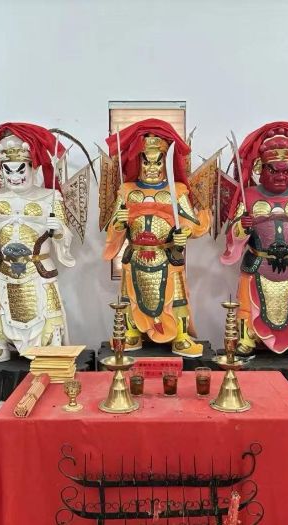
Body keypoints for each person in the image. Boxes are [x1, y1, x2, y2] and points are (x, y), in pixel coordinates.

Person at [221, 122, 288, 362]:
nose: (281, 176)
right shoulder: (249, 196)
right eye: (274, 170)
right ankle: (247, 340)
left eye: (286, 170)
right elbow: (232, 236)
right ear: (261, 168)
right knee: (249, 304)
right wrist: (243, 227)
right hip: (257, 263)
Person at [103, 119, 210, 357]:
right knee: (132, 295)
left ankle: (180, 336)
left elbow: (192, 223)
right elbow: (113, 229)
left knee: (176, 296)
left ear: (166, 162)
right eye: (146, 161)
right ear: (138, 162)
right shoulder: (127, 191)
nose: (152, 167)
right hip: (136, 255)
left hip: (166, 255)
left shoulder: (177, 191)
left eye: (157, 162)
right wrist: (120, 222)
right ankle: (132, 332)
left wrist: (185, 233)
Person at [0, 123, 74, 364]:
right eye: (8, 171)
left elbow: (64, 235)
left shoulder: (50, 197)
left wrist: (58, 230)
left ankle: (50, 345)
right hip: (5, 268)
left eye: (20, 170)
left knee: (46, 307)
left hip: (37, 267)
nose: (14, 177)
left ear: (32, 167)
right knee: (0, 307)